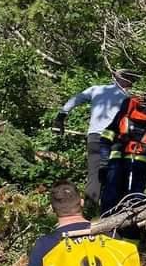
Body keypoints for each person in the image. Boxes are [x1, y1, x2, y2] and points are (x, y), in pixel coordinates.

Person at [54, 70, 140, 209]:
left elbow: (74, 100)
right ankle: (113, 212)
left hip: (94, 138)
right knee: (115, 176)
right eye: (131, 81)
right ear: (128, 81)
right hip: (113, 140)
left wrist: (61, 117)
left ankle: (89, 210)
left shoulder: (96, 89)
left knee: (94, 176)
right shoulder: (128, 97)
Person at [99, 92, 146, 216]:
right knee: (139, 197)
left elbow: (106, 136)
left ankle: (107, 225)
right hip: (144, 164)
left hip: (118, 160)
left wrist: (103, 162)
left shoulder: (126, 112)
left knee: (111, 196)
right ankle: (134, 228)